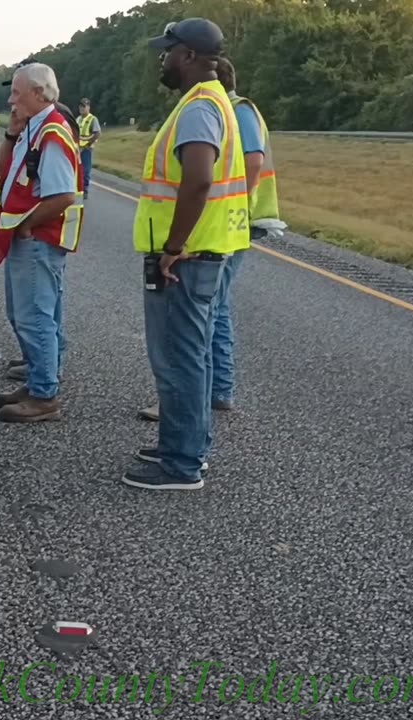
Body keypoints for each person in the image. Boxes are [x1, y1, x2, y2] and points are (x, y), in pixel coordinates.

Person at [122, 18, 248, 492]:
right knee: (191, 355)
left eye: (168, 50)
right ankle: (187, 443)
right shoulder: (210, 101)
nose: (163, 58)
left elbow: (198, 179)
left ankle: (181, 462)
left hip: (186, 256)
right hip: (202, 252)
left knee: (178, 357)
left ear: (190, 56)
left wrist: (173, 247)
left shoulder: (198, 108)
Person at [139, 56, 277, 423]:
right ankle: (216, 391)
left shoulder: (229, 110)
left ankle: (208, 394)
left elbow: (251, 163)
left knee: (206, 316)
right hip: (224, 224)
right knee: (214, 309)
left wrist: (233, 205)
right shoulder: (225, 108)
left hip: (225, 226)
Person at [0, 63, 84, 423]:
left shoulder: (53, 133)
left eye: (17, 92)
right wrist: (12, 133)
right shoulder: (33, 129)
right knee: (26, 314)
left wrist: (29, 226)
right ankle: (37, 380)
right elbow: (4, 170)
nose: (11, 99)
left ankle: (44, 393)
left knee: (35, 317)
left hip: (38, 238)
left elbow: (62, 195)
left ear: (39, 94)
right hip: (25, 236)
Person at [76, 99, 101, 199]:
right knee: (77, 170)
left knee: (86, 170)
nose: (82, 108)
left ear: (88, 107)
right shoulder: (78, 119)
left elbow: (97, 133)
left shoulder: (92, 119)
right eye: (80, 106)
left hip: (86, 148)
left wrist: (88, 143)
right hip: (77, 148)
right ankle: (78, 188)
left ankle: (85, 190)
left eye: (84, 106)